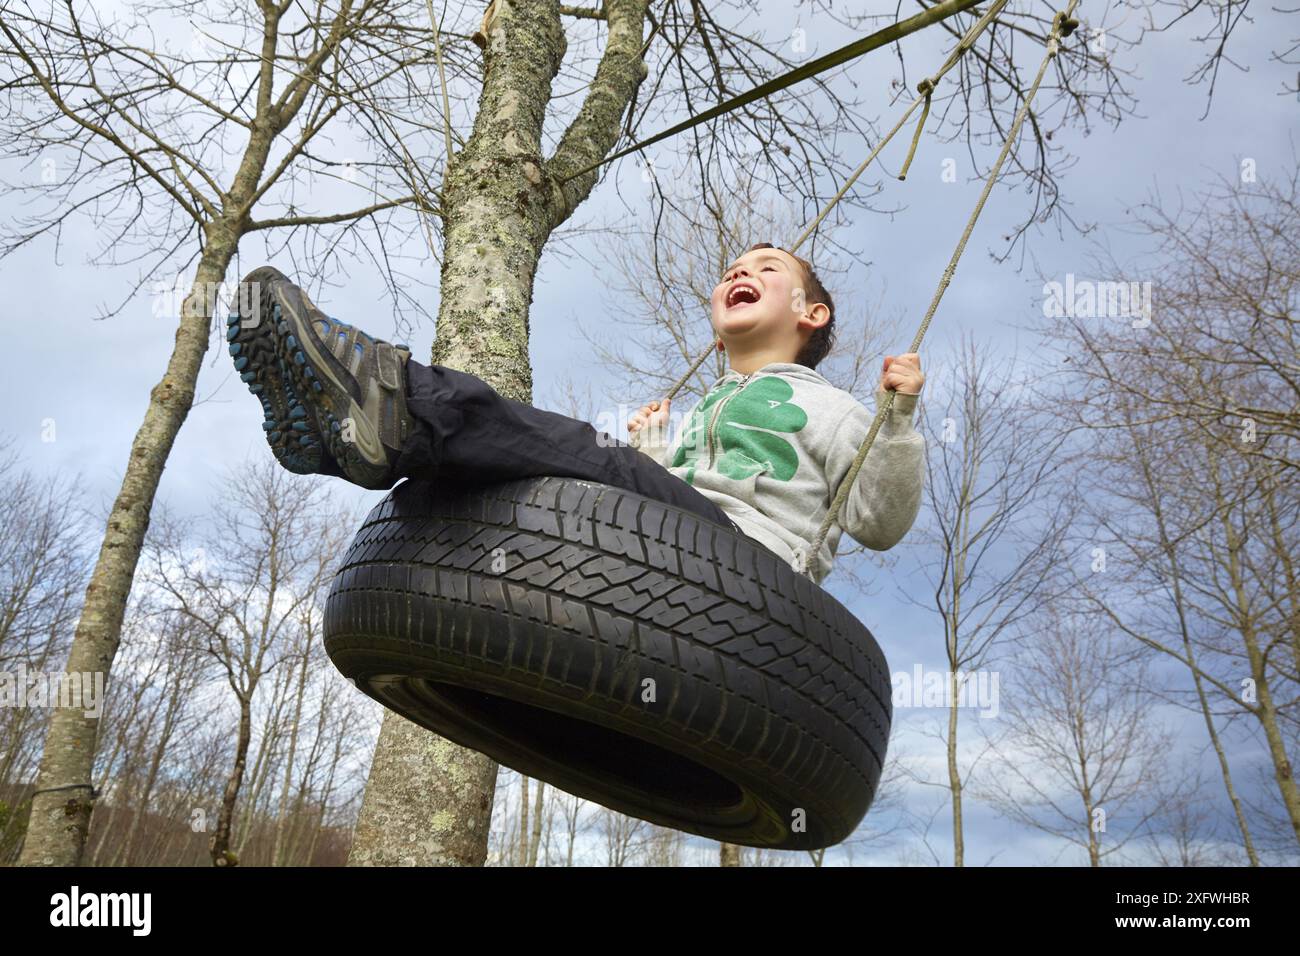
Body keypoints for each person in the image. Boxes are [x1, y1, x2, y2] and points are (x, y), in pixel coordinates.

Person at [227, 243, 925, 584]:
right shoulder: (705, 410)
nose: (741, 273)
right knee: (527, 482)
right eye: (732, 269)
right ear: (717, 329)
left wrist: (896, 423)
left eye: (767, 268)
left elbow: (879, 522)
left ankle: (392, 398)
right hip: (674, 557)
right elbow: (664, 497)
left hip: (752, 569)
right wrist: (657, 447)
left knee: (590, 453)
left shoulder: (830, 409)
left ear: (812, 313)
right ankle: (333, 437)